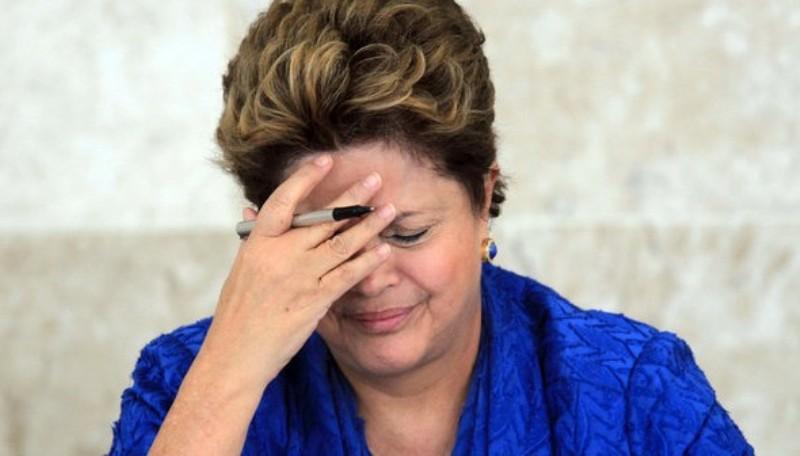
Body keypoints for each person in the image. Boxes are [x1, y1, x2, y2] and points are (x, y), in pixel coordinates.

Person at [109, 0, 753, 454]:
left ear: (483, 198)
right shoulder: (183, 383)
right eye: (330, 240)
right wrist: (228, 377)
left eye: (408, 233)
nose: (370, 279)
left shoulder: (634, 392)